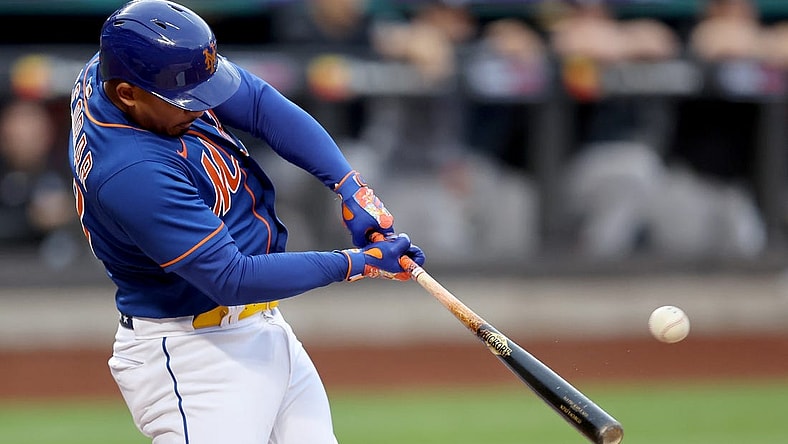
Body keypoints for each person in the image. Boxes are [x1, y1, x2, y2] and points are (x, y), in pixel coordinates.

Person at [67, 1, 425, 443]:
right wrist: (358, 262)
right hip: (195, 358)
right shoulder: (132, 171)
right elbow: (231, 278)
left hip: (257, 328)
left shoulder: (120, 68)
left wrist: (350, 186)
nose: (202, 106)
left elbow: (257, 103)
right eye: (186, 100)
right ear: (127, 94)